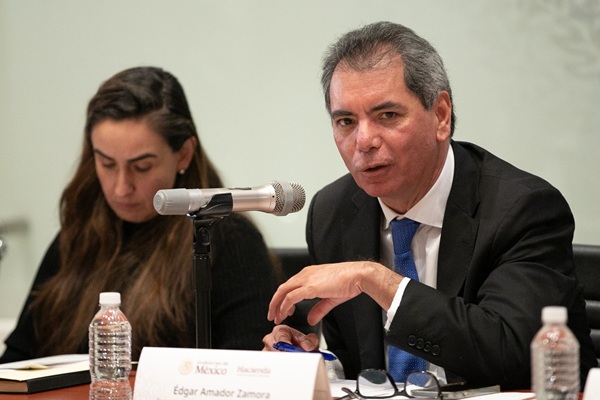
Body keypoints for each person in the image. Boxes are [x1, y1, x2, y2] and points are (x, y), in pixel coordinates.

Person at [263, 21, 597, 390]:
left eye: (387, 116)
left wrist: (377, 280)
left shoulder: (522, 209)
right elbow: (359, 365)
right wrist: (313, 363)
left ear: (441, 115)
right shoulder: (333, 212)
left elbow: (513, 354)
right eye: (346, 121)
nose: (364, 140)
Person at [0, 66, 282, 363]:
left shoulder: (229, 240)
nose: (121, 188)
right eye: (107, 164)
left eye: (142, 167)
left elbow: (247, 369)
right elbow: (17, 361)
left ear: (184, 154)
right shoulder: (79, 235)